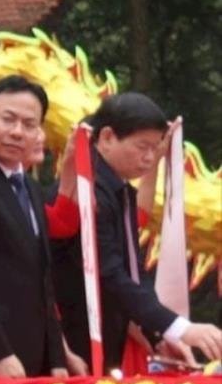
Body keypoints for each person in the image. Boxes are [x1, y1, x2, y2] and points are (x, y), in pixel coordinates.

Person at [84, 94, 222, 367]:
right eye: (142, 147)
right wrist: (180, 328)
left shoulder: (116, 188)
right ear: (108, 137)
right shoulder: (90, 190)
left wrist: (158, 333)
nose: (149, 157)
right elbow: (110, 273)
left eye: (155, 149)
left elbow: (134, 272)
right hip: (82, 339)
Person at [0, 75, 67, 377]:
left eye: (29, 125)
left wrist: (57, 359)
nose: (17, 132)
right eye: (8, 119)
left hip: (33, 358)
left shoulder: (29, 185)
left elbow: (42, 277)